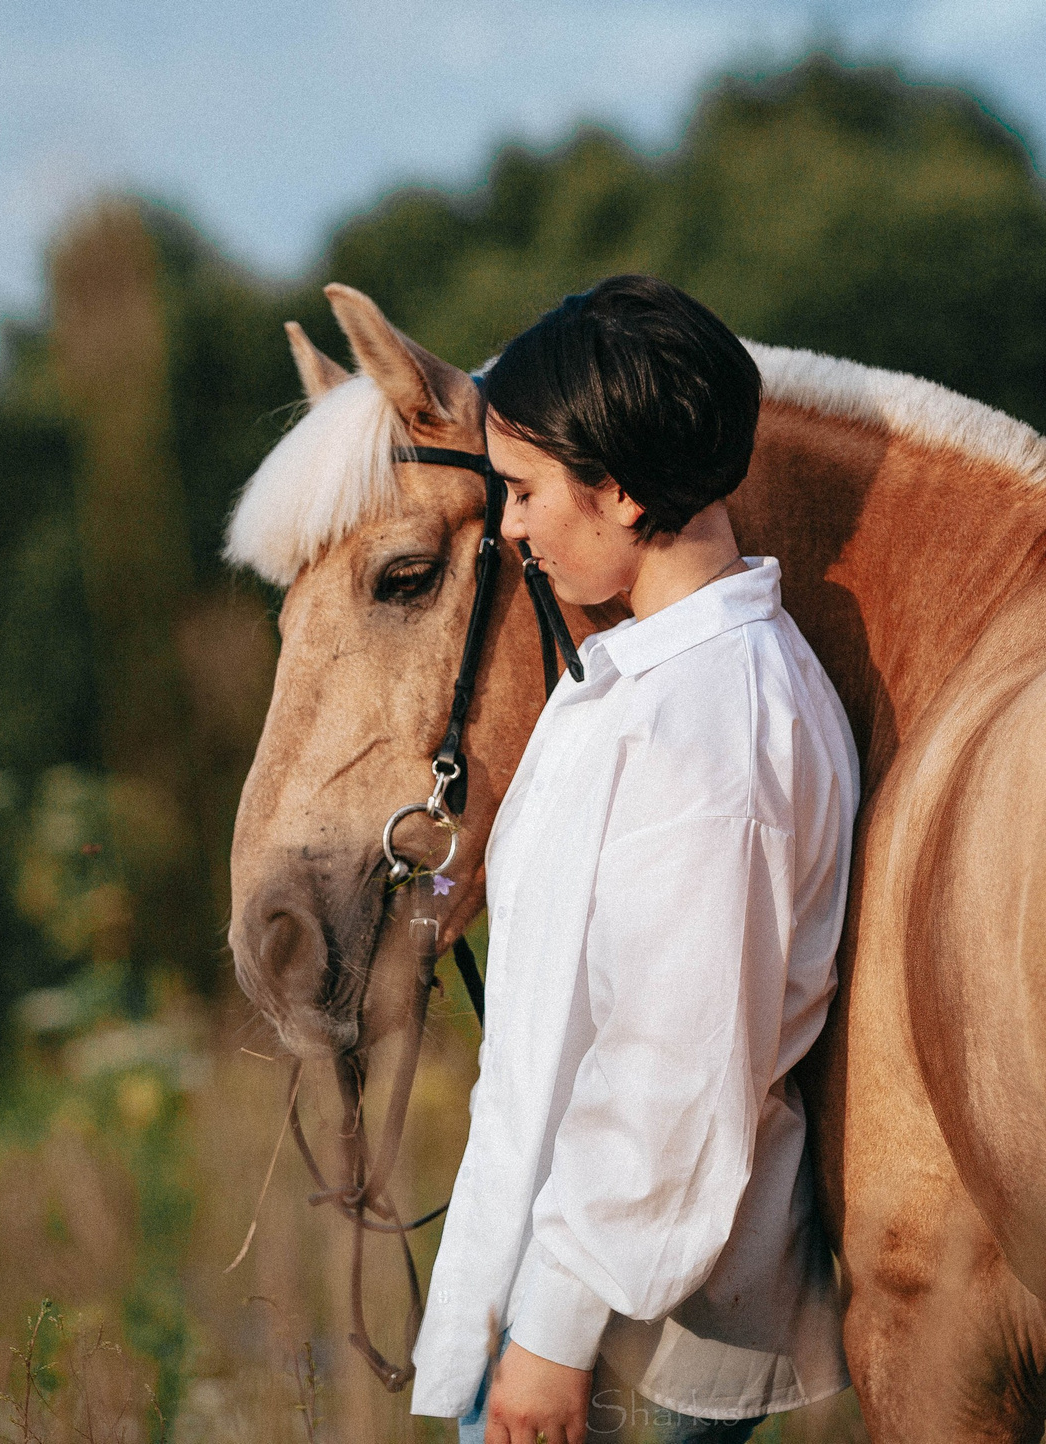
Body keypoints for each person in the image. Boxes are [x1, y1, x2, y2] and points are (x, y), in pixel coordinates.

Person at [406, 275, 859, 1444]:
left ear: (618, 488)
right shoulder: (647, 678)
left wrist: (550, 1336)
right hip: (580, 1282)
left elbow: (673, 1061)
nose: (507, 528)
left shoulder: (715, 724)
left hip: (625, 1327)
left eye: (523, 492)